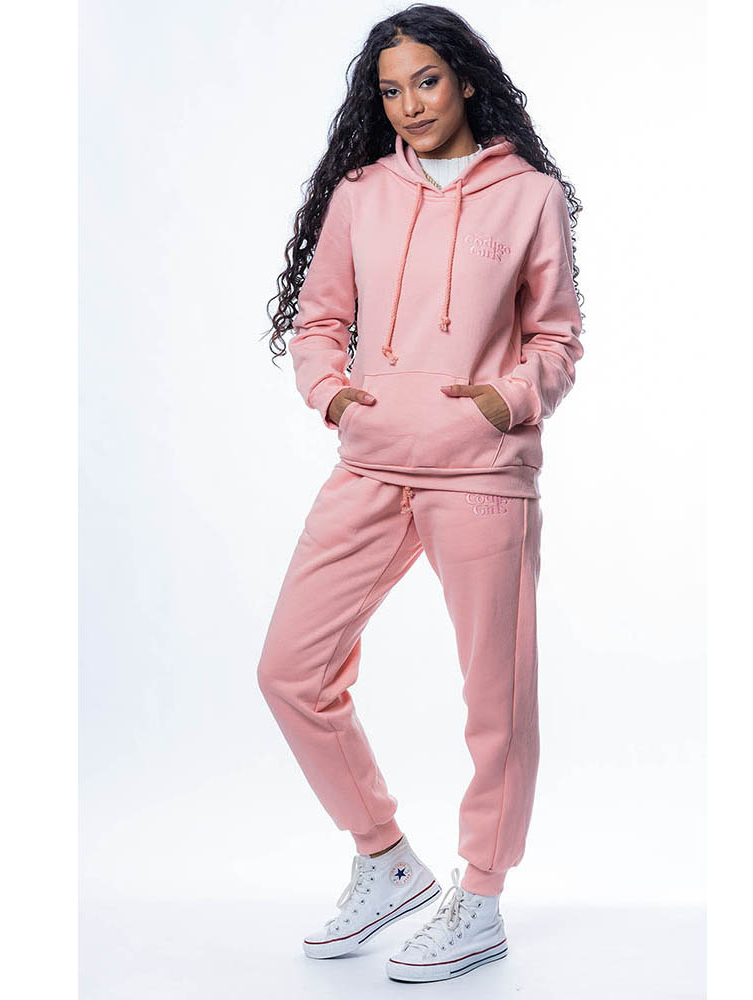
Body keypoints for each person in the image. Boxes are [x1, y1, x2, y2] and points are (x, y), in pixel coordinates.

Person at [256, 3, 584, 984]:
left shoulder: (530, 197)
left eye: (427, 81)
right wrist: (331, 392)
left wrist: (505, 400)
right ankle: (384, 858)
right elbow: (320, 319)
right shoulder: (360, 194)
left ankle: (479, 896)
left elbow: (556, 335)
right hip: (371, 462)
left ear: (466, 81)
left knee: (496, 698)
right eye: (391, 89)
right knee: (290, 670)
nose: (409, 104)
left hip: (482, 473)